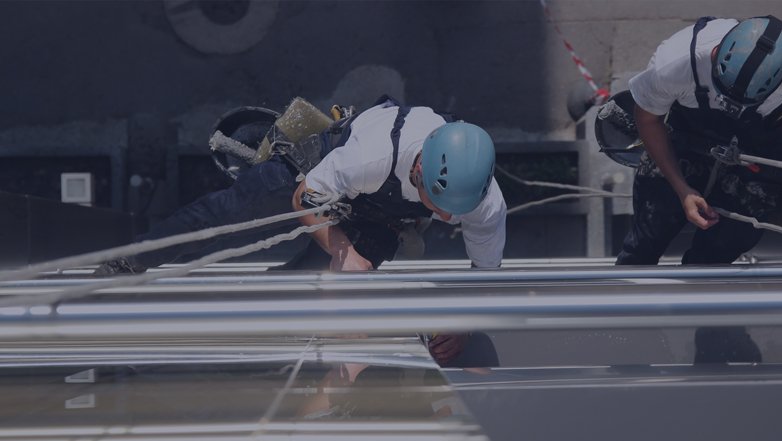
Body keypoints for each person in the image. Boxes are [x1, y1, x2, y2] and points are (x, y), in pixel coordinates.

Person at [95, 96, 506, 274]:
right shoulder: (370, 157)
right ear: (418, 171)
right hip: (324, 166)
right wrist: (343, 247)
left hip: (381, 209)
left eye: (455, 210)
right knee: (227, 213)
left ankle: (284, 317)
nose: (449, 217)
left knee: (330, 280)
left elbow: (485, 275)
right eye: (437, 204)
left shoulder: (482, 199)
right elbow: (303, 197)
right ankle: (135, 259)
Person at [613, 15, 782, 265]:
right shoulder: (675, 64)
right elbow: (648, 120)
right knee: (648, 235)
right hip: (688, 137)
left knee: (723, 246)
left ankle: (698, 293)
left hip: (759, 142)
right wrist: (682, 190)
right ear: (715, 54)